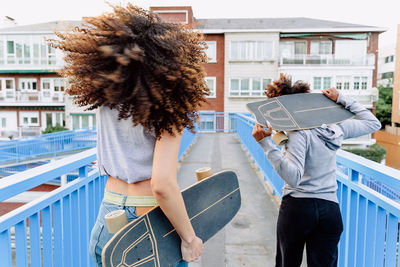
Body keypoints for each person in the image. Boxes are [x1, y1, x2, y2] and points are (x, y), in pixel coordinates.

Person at [49, 4, 209, 267]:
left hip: (108, 214)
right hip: (149, 223)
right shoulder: (171, 104)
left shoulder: (106, 97)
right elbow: (162, 185)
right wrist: (190, 239)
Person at [251, 74, 381, 267]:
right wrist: (342, 99)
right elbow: (373, 124)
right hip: (330, 210)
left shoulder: (298, 133)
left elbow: (293, 177)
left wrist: (266, 144)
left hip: (298, 208)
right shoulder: (335, 128)